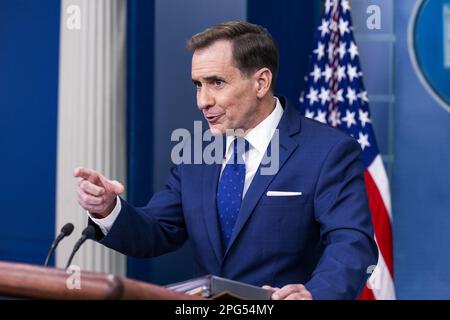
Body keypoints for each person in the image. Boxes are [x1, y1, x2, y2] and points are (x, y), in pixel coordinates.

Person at [74, 21, 378, 300]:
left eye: (216, 83)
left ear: (260, 82)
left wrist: (314, 295)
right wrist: (108, 209)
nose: (202, 100)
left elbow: (351, 242)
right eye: (198, 84)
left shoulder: (328, 151)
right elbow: (156, 231)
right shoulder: (196, 153)